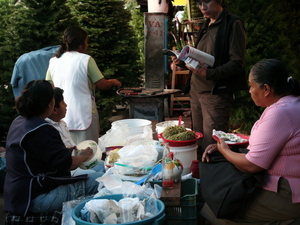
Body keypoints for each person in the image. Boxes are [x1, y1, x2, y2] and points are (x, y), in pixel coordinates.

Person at [201, 59, 300, 224]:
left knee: (219, 208)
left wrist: (225, 150)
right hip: (285, 184)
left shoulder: (280, 112)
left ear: (266, 89)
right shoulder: (292, 102)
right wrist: (228, 147)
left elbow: (251, 165)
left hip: (288, 192)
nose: (249, 91)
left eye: (252, 86)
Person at [4, 80, 104, 217]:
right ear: (50, 104)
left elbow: (42, 154)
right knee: (102, 181)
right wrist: (83, 156)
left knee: (99, 169)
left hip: (17, 196)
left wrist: (69, 152)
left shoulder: (19, 121)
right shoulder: (42, 129)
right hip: (35, 199)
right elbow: (67, 165)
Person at [172, 0, 247, 157]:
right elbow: (202, 60)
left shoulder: (232, 23)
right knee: (197, 142)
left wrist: (210, 74)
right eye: (199, 3)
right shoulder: (207, 24)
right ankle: (199, 178)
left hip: (215, 94)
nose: (202, 7)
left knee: (211, 146)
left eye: (206, 1)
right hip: (196, 90)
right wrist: (183, 60)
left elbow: (237, 63)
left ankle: (213, 179)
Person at [46, 26, 122, 145]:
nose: (87, 45)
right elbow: (102, 84)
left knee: (68, 148)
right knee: (88, 150)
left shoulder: (54, 61)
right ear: (81, 45)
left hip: (61, 114)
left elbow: (49, 85)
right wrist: (113, 82)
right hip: (84, 112)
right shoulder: (86, 60)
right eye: (86, 42)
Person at [45, 87, 105, 176]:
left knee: (104, 166)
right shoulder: (48, 129)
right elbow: (62, 161)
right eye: (62, 103)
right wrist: (81, 156)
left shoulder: (62, 123)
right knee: (97, 175)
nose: (66, 105)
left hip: (75, 160)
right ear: (54, 109)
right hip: (67, 168)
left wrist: (80, 151)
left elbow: (71, 147)